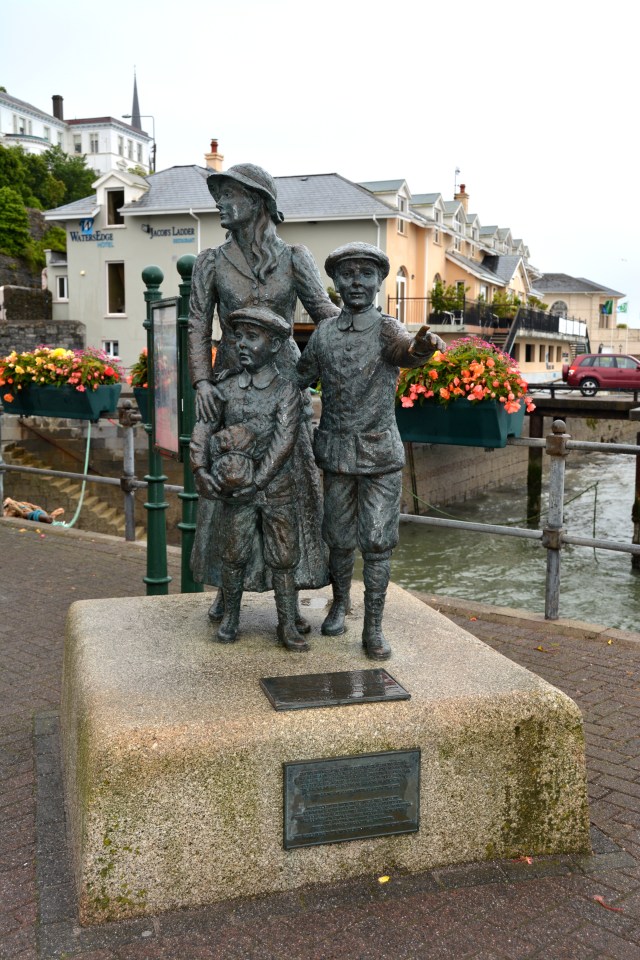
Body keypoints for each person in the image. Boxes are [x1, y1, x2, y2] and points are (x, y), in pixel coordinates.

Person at [188, 163, 336, 622]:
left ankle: (289, 597)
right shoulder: (210, 262)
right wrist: (202, 381)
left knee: (289, 489)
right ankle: (226, 586)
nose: (220, 204)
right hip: (230, 383)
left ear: (257, 202)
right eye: (219, 195)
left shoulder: (294, 258)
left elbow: (325, 316)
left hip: (284, 384)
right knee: (227, 480)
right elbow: (197, 325)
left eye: (229, 195)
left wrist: (369, 326)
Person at [297, 242, 445, 660]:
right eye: (347, 274)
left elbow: (406, 351)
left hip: (380, 456)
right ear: (336, 282)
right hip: (336, 452)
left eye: (366, 274)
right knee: (338, 537)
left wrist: (422, 347)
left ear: (379, 281)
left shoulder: (386, 329)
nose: (357, 282)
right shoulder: (324, 333)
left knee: (378, 541)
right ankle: (340, 603)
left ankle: (374, 627)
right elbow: (299, 377)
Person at [190, 307, 308, 652]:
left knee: (283, 556)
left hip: (275, 489)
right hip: (234, 491)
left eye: (252, 337)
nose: (241, 343)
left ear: (275, 346)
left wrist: (258, 481)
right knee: (233, 553)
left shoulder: (286, 390)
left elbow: (284, 441)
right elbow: (203, 428)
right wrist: (199, 468)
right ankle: (231, 617)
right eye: (238, 336)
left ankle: (286, 623)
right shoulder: (225, 387)